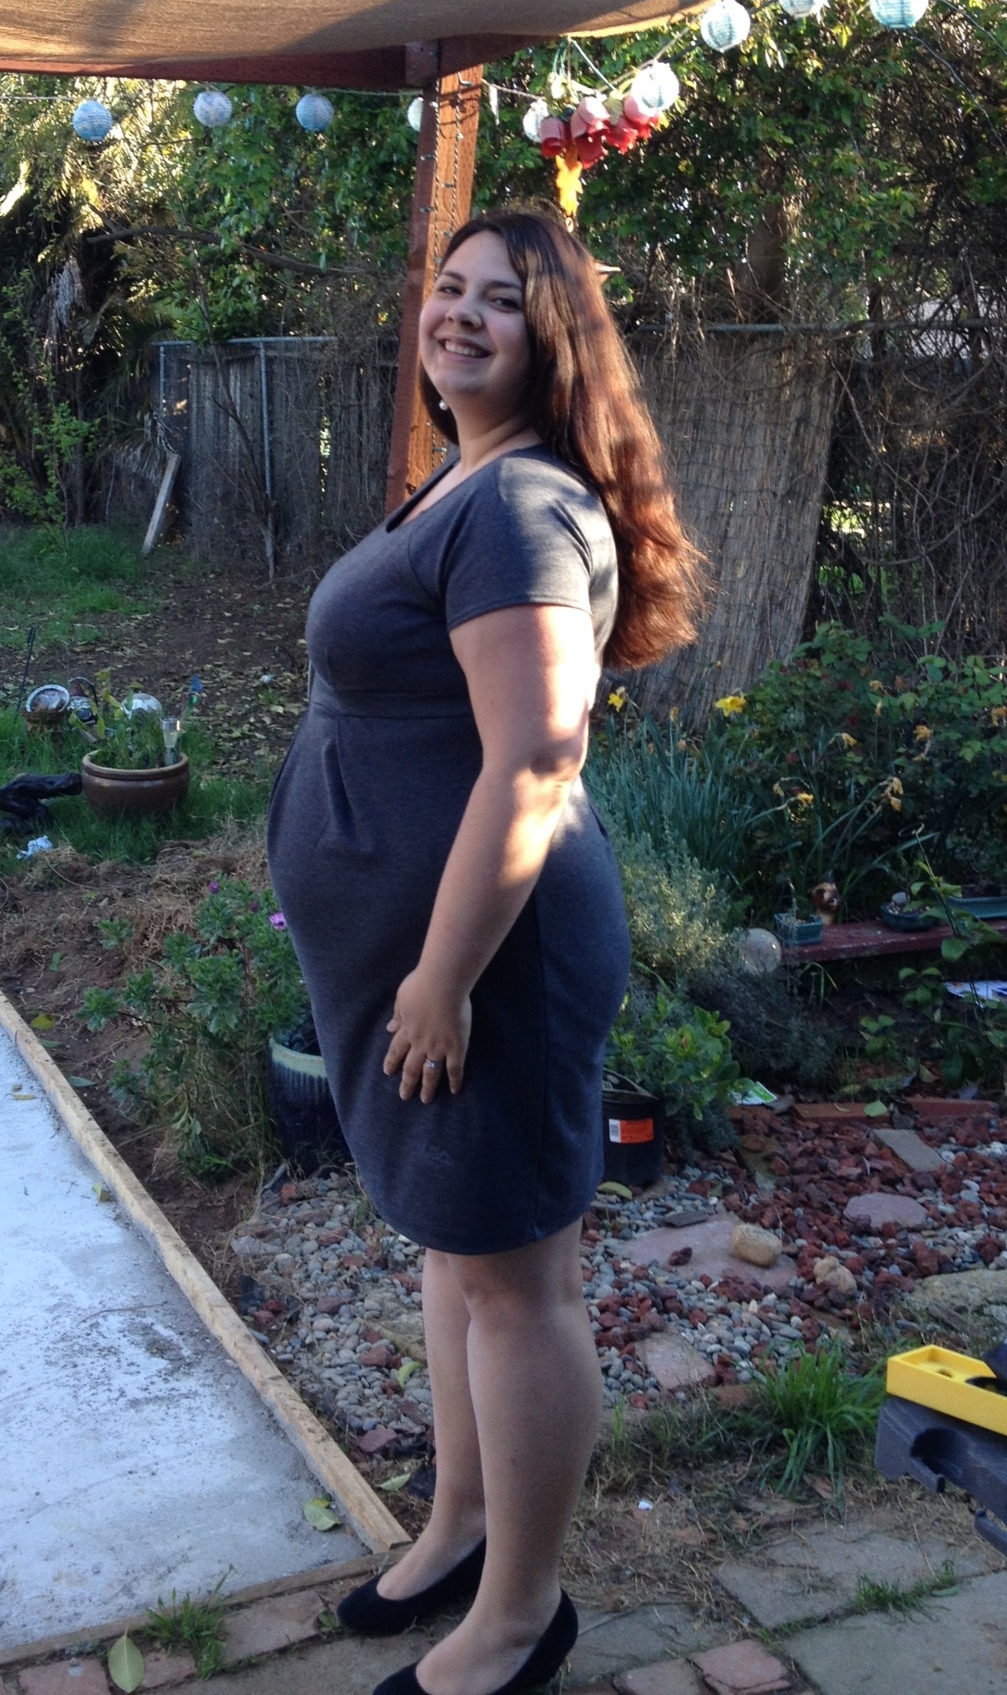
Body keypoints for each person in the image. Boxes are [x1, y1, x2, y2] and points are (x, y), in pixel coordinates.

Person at [266, 206, 702, 1695]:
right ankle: (460, 1528)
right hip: (433, 955)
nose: (456, 313)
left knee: (519, 1283)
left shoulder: (515, 507)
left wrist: (442, 978)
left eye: (498, 299)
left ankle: (520, 1616)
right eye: (446, 288)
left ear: (552, 335)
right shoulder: (465, 479)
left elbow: (532, 760)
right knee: (463, 1254)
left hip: (492, 962)